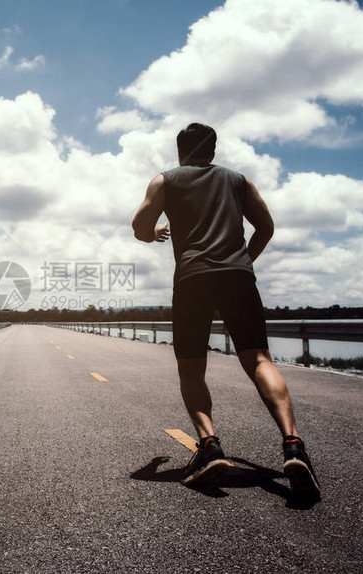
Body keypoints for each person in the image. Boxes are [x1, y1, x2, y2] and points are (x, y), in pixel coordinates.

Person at [132, 122, 320, 496]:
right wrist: (243, 261)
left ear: (180, 151)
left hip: (192, 278)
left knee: (191, 366)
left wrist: (155, 234)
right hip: (238, 276)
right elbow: (265, 227)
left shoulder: (166, 180)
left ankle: (209, 444)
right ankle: (293, 444)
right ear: (213, 151)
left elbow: (139, 226)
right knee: (259, 360)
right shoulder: (239, 180)